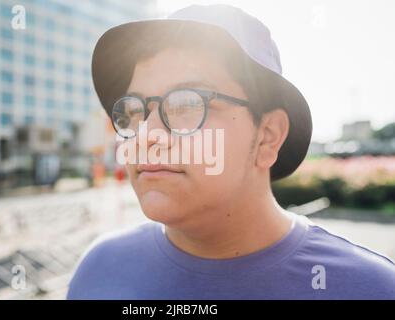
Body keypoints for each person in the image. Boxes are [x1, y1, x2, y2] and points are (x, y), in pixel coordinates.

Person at [68, 4, 395, 299]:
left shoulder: (369, 289)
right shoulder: (99, 270)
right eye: (134, 110)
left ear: (268, 137)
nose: (147, 135)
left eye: (186, 103)